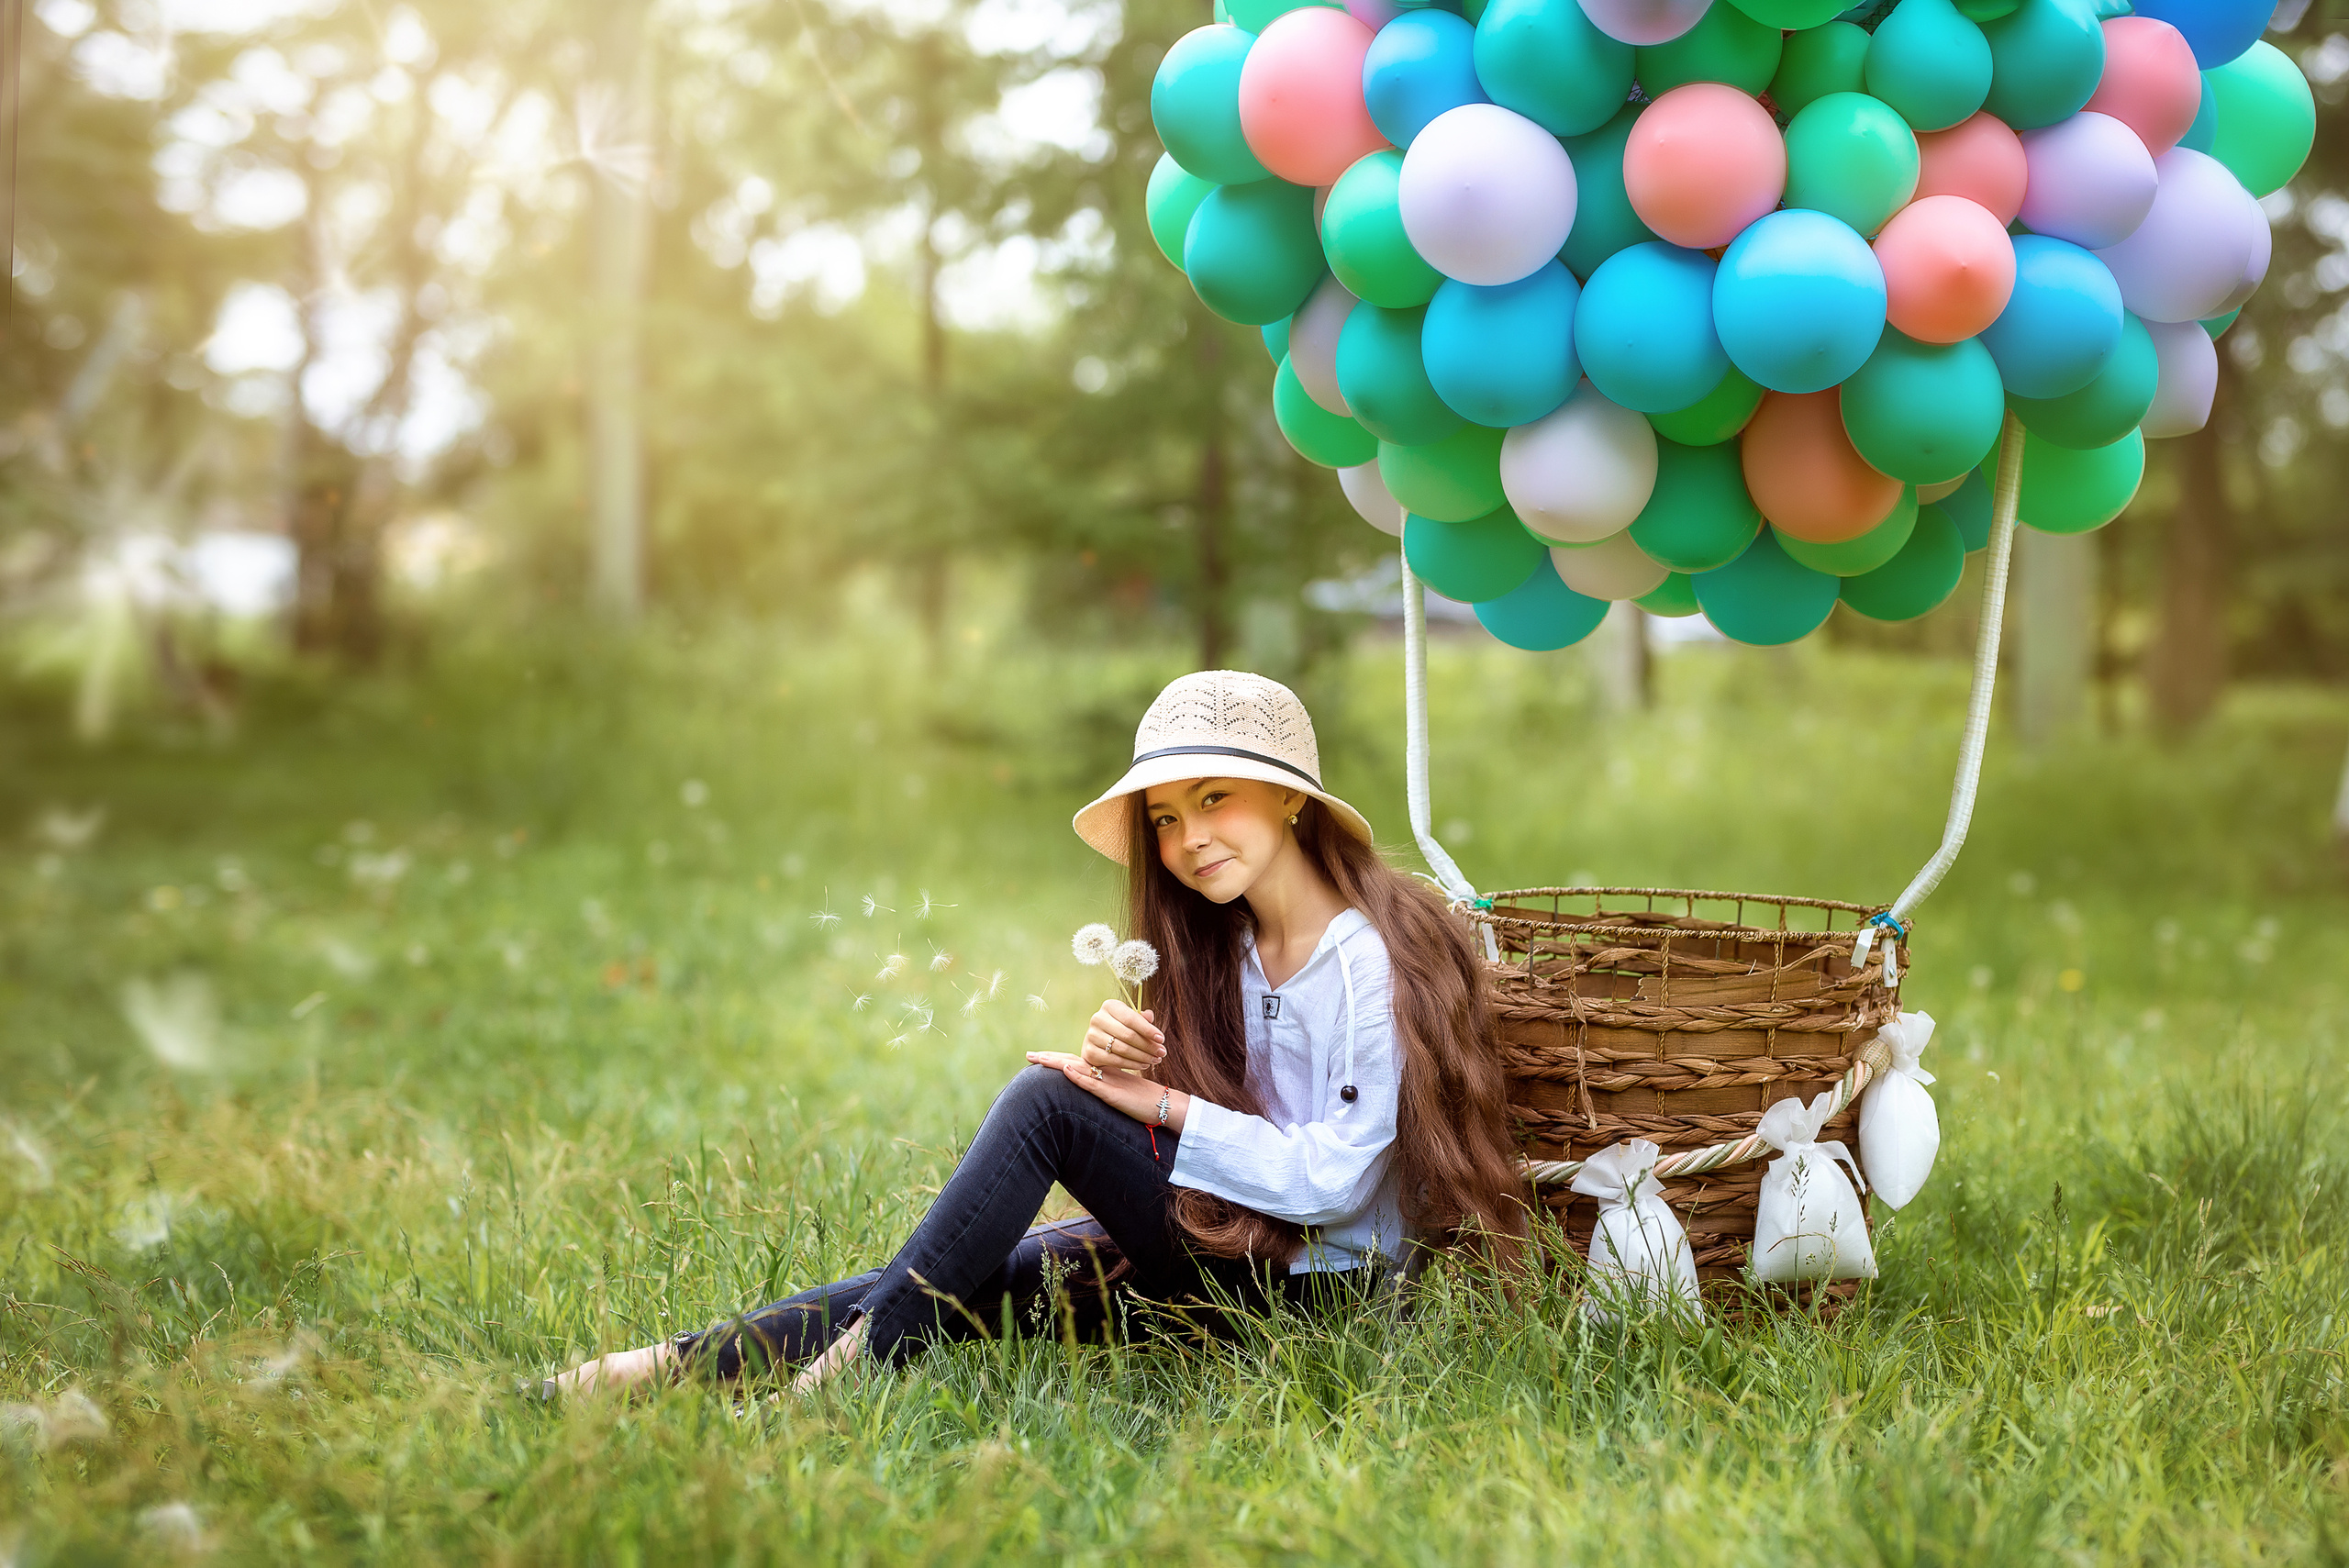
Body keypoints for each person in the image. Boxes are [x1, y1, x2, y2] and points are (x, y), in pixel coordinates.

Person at [549, 669, 1527, 1397]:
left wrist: (1163, 1107)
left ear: (1290, 797)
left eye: (1213, 798)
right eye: (1165, 817)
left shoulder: (1362, 958)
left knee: (1046, 1105)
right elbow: (1230, 1117)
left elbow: (1338, 1182)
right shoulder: (1226, 944)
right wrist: (1139, 1067)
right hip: (1232, 1245)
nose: (1188, 838)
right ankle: (648, 1369)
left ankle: (838, 1385)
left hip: (1315, 1292)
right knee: (955, 1278)